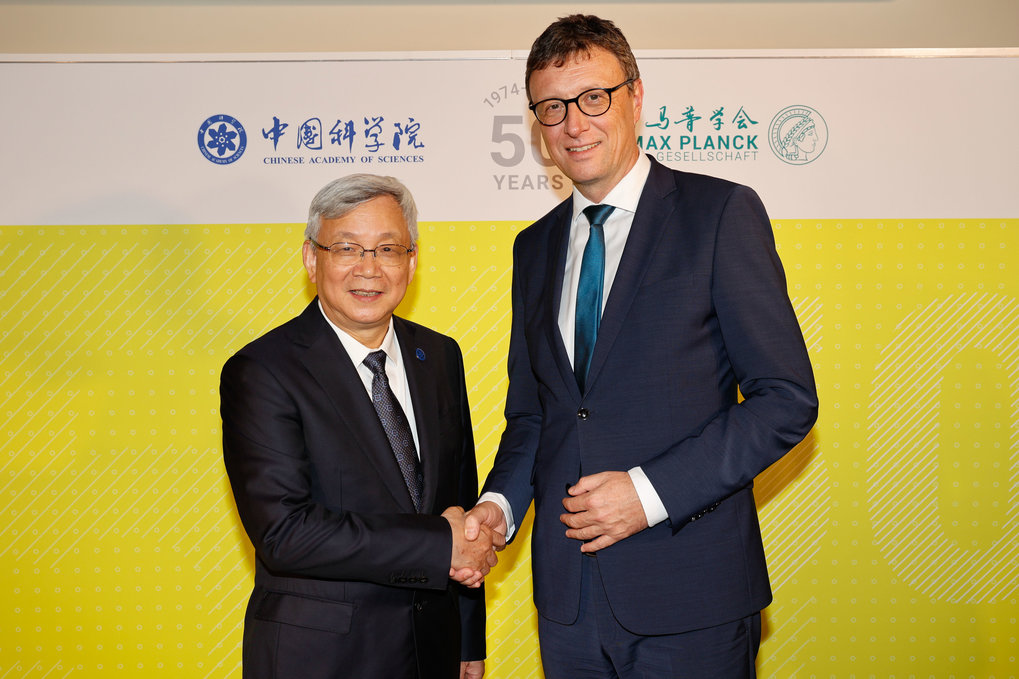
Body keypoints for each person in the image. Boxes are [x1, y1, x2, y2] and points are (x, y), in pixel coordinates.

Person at [465, 14, 818, 678]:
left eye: (592, 97)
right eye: (552, 107)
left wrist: (648, 492)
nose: (574, 122)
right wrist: (498, 506)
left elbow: (784, 401)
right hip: (568, 602)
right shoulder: (532, 248)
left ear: (635, 96)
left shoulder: (718, 214)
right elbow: (535, 414)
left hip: (692, 592)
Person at [221, 173, 495, 679]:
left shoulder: (438, 355)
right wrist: (438, 544)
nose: (368, 269)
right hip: (322, 659)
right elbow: (285, 532)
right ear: (311, 258)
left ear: (410, 262)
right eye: (347, 247)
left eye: (387, 249)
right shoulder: (263, 369)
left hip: (433, 652)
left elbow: (460, 506)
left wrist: (467, 639)